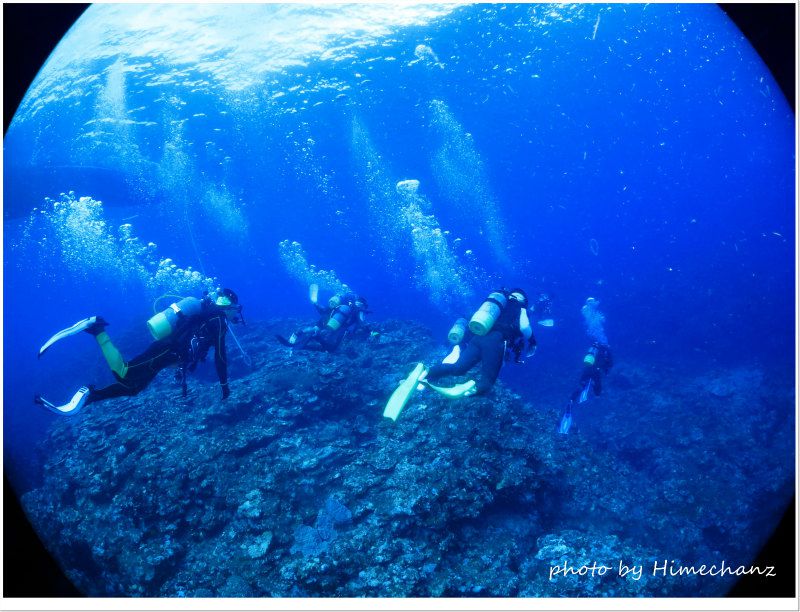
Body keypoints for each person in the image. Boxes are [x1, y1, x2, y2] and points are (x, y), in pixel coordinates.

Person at [35, 288, 243, 414]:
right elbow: (221, 356)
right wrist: (224, 384)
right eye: (236, 308)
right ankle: (96, 328)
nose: (236, 314)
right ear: (230, 306)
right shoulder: (218, 319)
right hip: (168, 350)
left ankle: (90, 396)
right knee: (125, 373)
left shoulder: (211, 317)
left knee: (133, 388)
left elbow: (200, 345)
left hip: (170, 354)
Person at [422, 288, 537, 397]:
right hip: (495, 341)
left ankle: (426, 373)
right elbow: (525, 326)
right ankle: (471, 391)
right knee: (486, 384)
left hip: (477, 338)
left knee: (457, 369)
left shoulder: (498, 305)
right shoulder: (520, 307)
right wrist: (532, 342)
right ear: (523, 300)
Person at [276, 285, 368, 353]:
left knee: (317, 329)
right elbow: (361, 323)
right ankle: (313, 338)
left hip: (326, 319)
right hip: (334, 325)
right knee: (331, 349)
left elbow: (325, 311)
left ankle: (299, 333)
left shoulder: (341, 306)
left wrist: (316, 304)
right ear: (362, 304)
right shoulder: (358, 310)